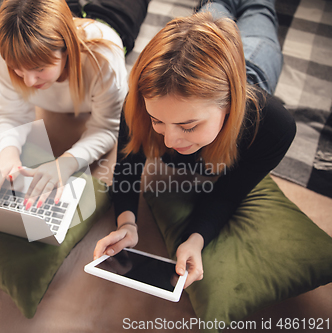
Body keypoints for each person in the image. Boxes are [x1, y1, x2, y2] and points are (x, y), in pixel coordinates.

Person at [94, 0, 296, 289]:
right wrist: (126, 223)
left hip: (256, 63)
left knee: (258, 9)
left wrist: (196, 238)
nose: (169, 140)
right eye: (157, 121)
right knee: (212, 10)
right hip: (204, 44)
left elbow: (228, 194)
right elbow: (127, 167)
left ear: (229, 107)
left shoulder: (274, 127)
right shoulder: (141, 101)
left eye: (188, 126)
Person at [0, 0, 148, 208]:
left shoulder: (104, 60)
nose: (28, 81)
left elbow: (106, 128)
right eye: (18, 69)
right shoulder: (12, 53)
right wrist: (8, 153)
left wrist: (66, 163)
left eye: (39, 68)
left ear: (66, 50)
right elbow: (12, 115)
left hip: (112, 20)